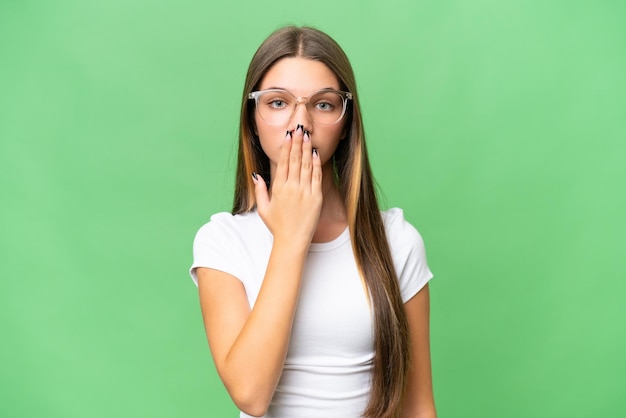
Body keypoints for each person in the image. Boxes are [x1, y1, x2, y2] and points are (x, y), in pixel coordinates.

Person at [190, 26, 436, 418]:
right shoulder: (222, 242)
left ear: (345, 124)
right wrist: (291, 237)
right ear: (253, 120)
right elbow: (250, 395)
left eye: (322, 104)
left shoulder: (397, 240)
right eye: (277, 103)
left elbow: (418, 407)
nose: (299, 123)